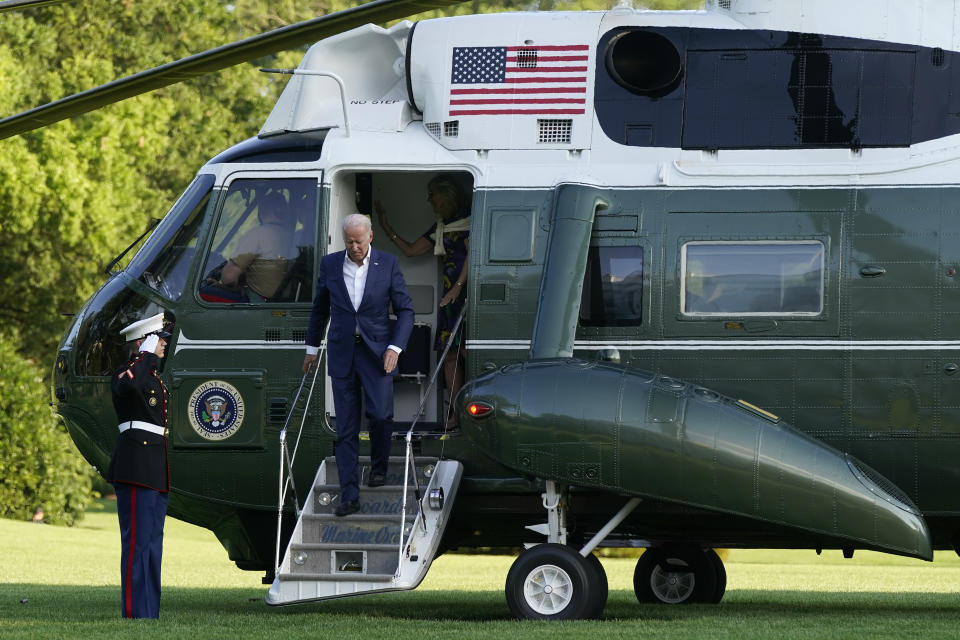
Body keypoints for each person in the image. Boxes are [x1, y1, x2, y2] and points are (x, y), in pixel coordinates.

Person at [302, 214, 414, 517]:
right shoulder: (330, 265)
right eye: (349, 242)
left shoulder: (388, 264)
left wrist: (395, 347)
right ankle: (349, 495)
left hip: (378, 353)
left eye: (359, 241)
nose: (355, 247)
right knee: (346, 427)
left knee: (380, 415)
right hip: (341, 353)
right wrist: (311, 349)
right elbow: (319, 309)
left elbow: (406, 310)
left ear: (370, 237)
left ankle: (379, 467)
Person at [376, 174, 470, 430]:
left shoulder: (472, 219)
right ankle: (456, 413)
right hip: (450, 297)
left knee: (467, 353)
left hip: (469, 295)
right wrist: (386, 227)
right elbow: (411, 250)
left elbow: (474, 254)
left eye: (432, 194)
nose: (429, 199)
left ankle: (473, 414)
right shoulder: (442, 225)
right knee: (449, 355)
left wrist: (458, 288)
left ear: (447, 194)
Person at [107, 311, 172, 619]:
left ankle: (150, 611)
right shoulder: (126, 373)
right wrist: (144, 354)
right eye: (159, 340)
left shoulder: (151, 376)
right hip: (136, 466)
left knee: (152, 544)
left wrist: (147, 358)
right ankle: (135, 611)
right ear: (143, 342)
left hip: (155, 467)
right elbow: (128, 389)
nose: (164, 346)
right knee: (136, 543)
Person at [200, 192, 297, 302]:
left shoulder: (258, 234)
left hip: (257, 303)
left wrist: (222, 279)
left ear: (262, 210)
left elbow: (229, 278)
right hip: (276, 301)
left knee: (201, 294)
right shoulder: (291, 236)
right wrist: (220, 286)